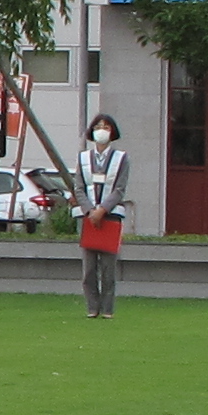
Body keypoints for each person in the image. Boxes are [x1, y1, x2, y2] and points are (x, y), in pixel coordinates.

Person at [76, 112, 134, 319]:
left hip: (110, 216)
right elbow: (79, 188)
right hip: (88, 217)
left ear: (112, 133)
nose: (102, 131)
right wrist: (91, 210)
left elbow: (120, 189)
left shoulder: (121, 158)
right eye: (98, 126)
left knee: (108, 268)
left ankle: (108, 309)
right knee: (89, 269)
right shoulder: (83, 158)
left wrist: (103, 210)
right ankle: (92, 307)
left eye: (106, 127)